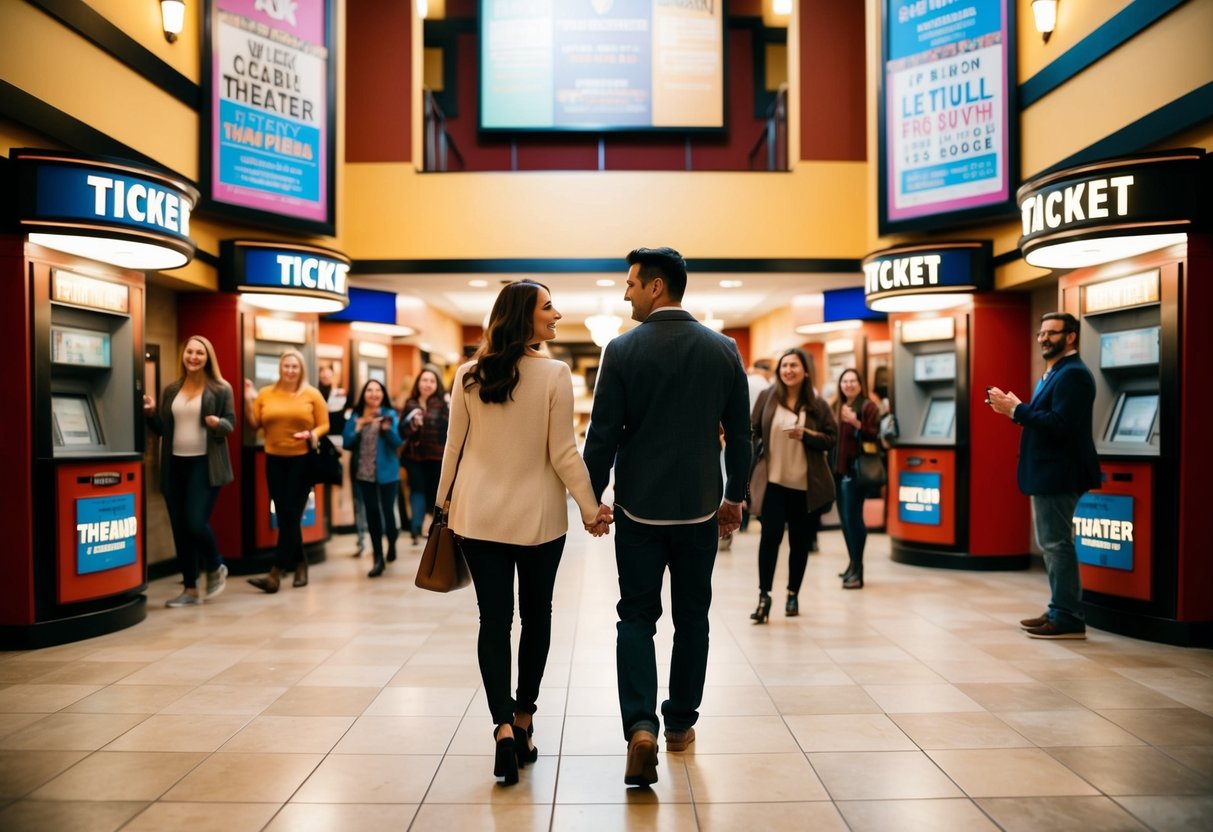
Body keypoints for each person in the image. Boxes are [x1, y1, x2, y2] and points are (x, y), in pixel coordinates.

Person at [583, 246, 750, 788]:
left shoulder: (622, 350)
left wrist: (593, 499)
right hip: (700, 509)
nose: (625, 292)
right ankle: (679, 724)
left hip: (639, 512)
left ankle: (640, 726)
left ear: (657, 287)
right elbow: (741, 434)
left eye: (632, 283)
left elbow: (602, 434)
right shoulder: (723, 349)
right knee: (692, 618)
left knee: (636, 617)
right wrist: (735, 496)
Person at [436, 280, 611, 786]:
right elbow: (563, 453)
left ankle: (501, 730)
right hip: (538, 522)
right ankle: (524, 717)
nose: (557, 314)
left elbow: (454, 448)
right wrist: (589, 508)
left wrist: (442, 505)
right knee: (536, 618)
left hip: (477, 516)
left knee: (493, 620)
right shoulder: (555, 375)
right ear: (524, 317)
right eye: (548, 307)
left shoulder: (468, 374)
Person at [987, 312, 1100, 639]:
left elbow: (1060, 425)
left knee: (1056, 544)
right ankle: (1058, 608)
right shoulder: (1055, 373)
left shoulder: (1074, 374)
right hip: (1049, 471)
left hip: (1060, 473)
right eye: (1041, 333)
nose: (1043, 339)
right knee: (1052, 544)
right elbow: (1047, 417)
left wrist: (1017, 410)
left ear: (1071, 337)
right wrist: (1016, 409)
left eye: (1051, 333)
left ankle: (1067, 616)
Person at [143, 335, 235, 607]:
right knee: (180, 529)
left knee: (195, 522)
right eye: (190, 352)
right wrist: (150, 414)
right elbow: (163, 429)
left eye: (200, 353)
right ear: (184, 355)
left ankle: (216, 564)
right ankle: (190, 589)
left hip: (205, 465)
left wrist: (218, 423)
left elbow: (231, 424)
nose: (194, 357)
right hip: (175, 465)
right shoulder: (172, 390)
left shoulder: (220, 388)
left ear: (208, 358)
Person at [748, 348, 837, 621]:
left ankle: (792, 594)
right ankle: (764, 597)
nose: (788, 370)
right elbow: (753, 431)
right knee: (769, 538)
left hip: (804, 486)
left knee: (799, 543)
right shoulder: (767, 396)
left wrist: (807, 434)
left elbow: (831, 438)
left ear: (805, 371)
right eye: (784, 365)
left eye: (794, 366)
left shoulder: (817, 404)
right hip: (773, 481)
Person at [242, 349, 330, 593]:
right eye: (286, 366)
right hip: (274, 460)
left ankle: (275, 573)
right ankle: (301, 563)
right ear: (279, 368)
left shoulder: (311, 394)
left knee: (291, 513)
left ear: (301, 369)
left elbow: (324, 424)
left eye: (295, 366)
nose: (290, 370)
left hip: (303, 460)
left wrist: (312, 434)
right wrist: (249, 399)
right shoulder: (266, 393)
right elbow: (255, 424)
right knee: (286, 517)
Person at [343, 379, 403, 578]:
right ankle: (378, 558)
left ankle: (392, 543)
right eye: (370, 390)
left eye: (378, 390)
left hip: (388, 473)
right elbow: (346, 442)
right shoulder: (356, 415)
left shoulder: (389, 414)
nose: (374, 394)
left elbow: (397, 442)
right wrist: (358, 426)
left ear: (383, 394)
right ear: (364, 395)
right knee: (372, 514)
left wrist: (387, 429)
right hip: (364, 473)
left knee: (388, 512)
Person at [831, 367, 880, 589]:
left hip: (856, 470)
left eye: (853, 381)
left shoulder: (868, 406)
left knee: (854, 518)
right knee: (845, 519)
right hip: (839, 470)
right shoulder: (838, 406)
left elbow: (875, 435)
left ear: (860, 385)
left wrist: (856, 422)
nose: (849, 384)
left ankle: (858, 570)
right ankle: (851, 564)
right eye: (845, 381)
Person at [400, 366, 449, 545]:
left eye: (431, 381)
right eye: (424, 380)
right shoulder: (410, 403)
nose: (428, 384)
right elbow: (402, 432)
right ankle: (415, 526)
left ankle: (431, 528)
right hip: (415, 457)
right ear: (418, 383)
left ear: (437, 384)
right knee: (417, 490)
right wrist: (413, 424)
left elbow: (448, 429)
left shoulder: (443, 403)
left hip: (437, 457)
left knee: (434, 492)